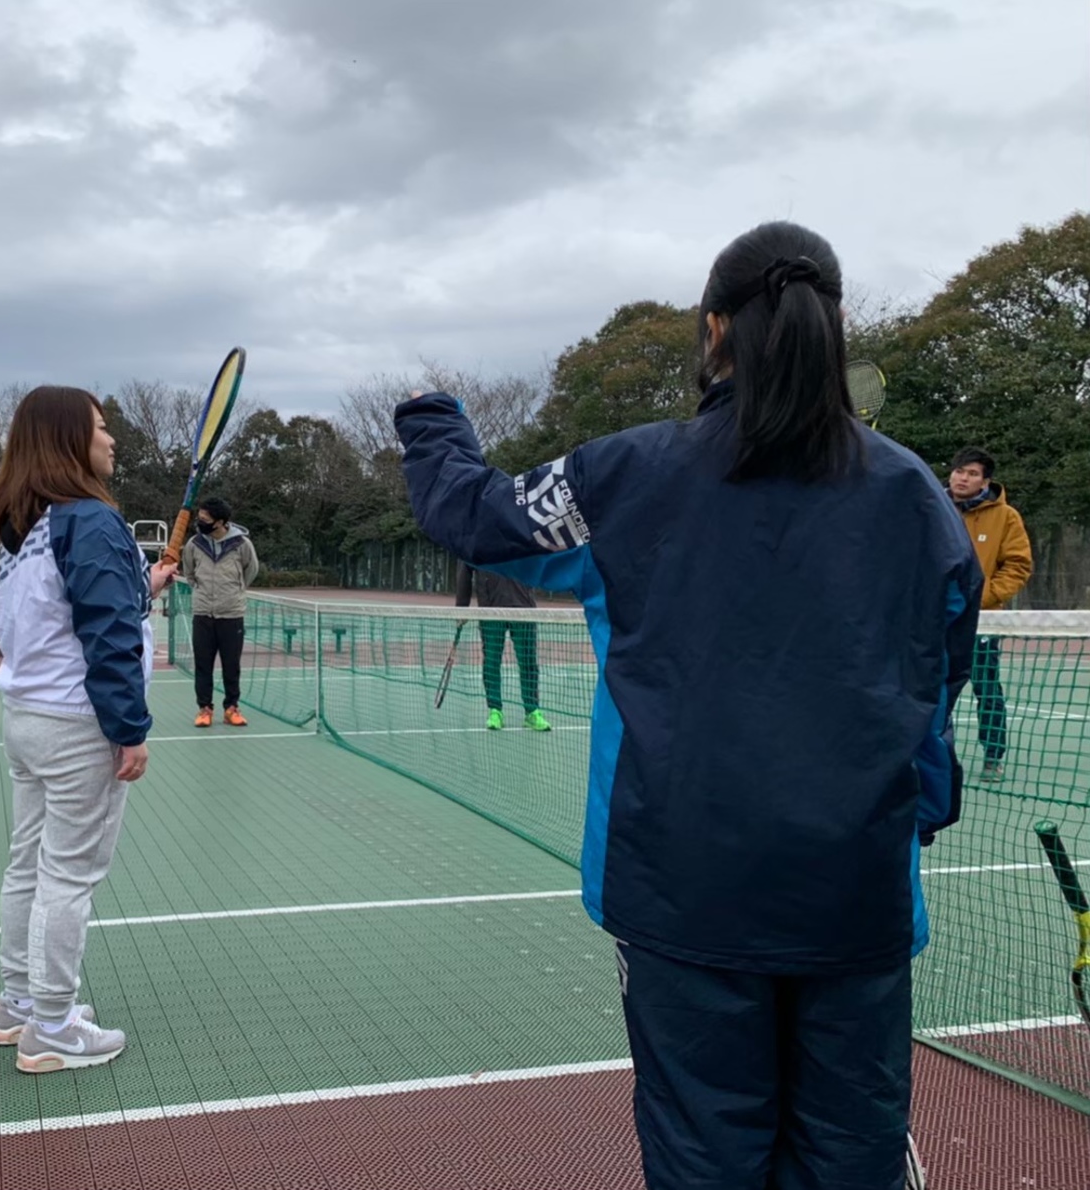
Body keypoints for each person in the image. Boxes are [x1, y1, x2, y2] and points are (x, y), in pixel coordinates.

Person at [394, 222, 982, 1189]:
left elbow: (475, 515)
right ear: (832, 329)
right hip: (857, 892)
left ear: (715, 330)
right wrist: (916, 811)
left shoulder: (628, 476)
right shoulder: (917, 495)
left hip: (680, 888)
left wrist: (431, 418)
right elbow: (937, 689)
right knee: (853, 1153)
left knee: (704, 1153)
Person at [0, 385, 175, 1073]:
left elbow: (71, 610)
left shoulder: (26, 527)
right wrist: (131, 728)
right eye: (100, 427)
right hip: (76, 727)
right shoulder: (91, 520)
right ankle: (55, 1026)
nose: (111, 439)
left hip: (28, 720)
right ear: (70, 439)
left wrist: (142, 583)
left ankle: (20, 1005)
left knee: (28, 865)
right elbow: (108, 633)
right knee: (68, 876)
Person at [947, 446, 1033, 782]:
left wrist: (984, 597)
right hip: (936, 619)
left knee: (986, 688)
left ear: (985, 482)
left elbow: (1018, 565)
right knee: (932, 687)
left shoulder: (1006, 517)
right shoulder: (932, 506)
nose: (962, 478)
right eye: (959, 471)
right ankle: (931, 752)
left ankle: (993, 754)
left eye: (971, 474)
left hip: (982, 622)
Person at [181, 497, 259, 727]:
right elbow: (189, 573)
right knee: (203, 664)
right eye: (200, 518)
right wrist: (203, 593)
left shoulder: (242, 544)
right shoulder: (194, 544)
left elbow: (250, 570)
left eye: (205, 519)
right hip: (203, 613)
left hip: (232, 614)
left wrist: (234, 591)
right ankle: (204, 709)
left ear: (221, 522)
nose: (200, 522)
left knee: (231, 665)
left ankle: (232, 708)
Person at [455, 564, 552, 732]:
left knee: (528, 662)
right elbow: (465, 569)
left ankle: (532, 711)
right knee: (492, 661)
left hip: (524, 608)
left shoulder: (524, 536)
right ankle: (495, 710)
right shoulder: (476, 539)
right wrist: (461, 607)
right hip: (490, 610)